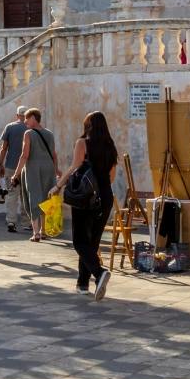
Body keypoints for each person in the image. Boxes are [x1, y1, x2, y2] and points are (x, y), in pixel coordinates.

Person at [67, 110, 118, 298]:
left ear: (88, 125)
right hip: (105, 196)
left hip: (85, 196)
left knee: (79, 241)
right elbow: (112, 177)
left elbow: (75, 167)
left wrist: (58, 185)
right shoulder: (110, 146)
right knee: (92, 242)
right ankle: (82, 284)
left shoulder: (83, 143)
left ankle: (99, 273)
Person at [11, 108, 59, 242]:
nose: (25, 121)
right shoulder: (49, 134)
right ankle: (44, 231)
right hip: (48, 168)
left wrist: (16, 174)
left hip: (33, 168)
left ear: (33, 118)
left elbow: (24, 155)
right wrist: (56, 170)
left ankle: (36, 233)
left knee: (34, 198)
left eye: (27, 118)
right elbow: (54, 155)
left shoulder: (29, 133)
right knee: (46, 198)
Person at [0, 106, 29, 234]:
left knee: (12, 195)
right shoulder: (31, 128)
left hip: (11, 166)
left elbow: (3, 148)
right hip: (27, 167)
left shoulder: (9, 127)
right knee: (25, 195)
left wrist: (0, 164)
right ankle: (27, 223)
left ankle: (11, 221)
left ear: (17, 115)